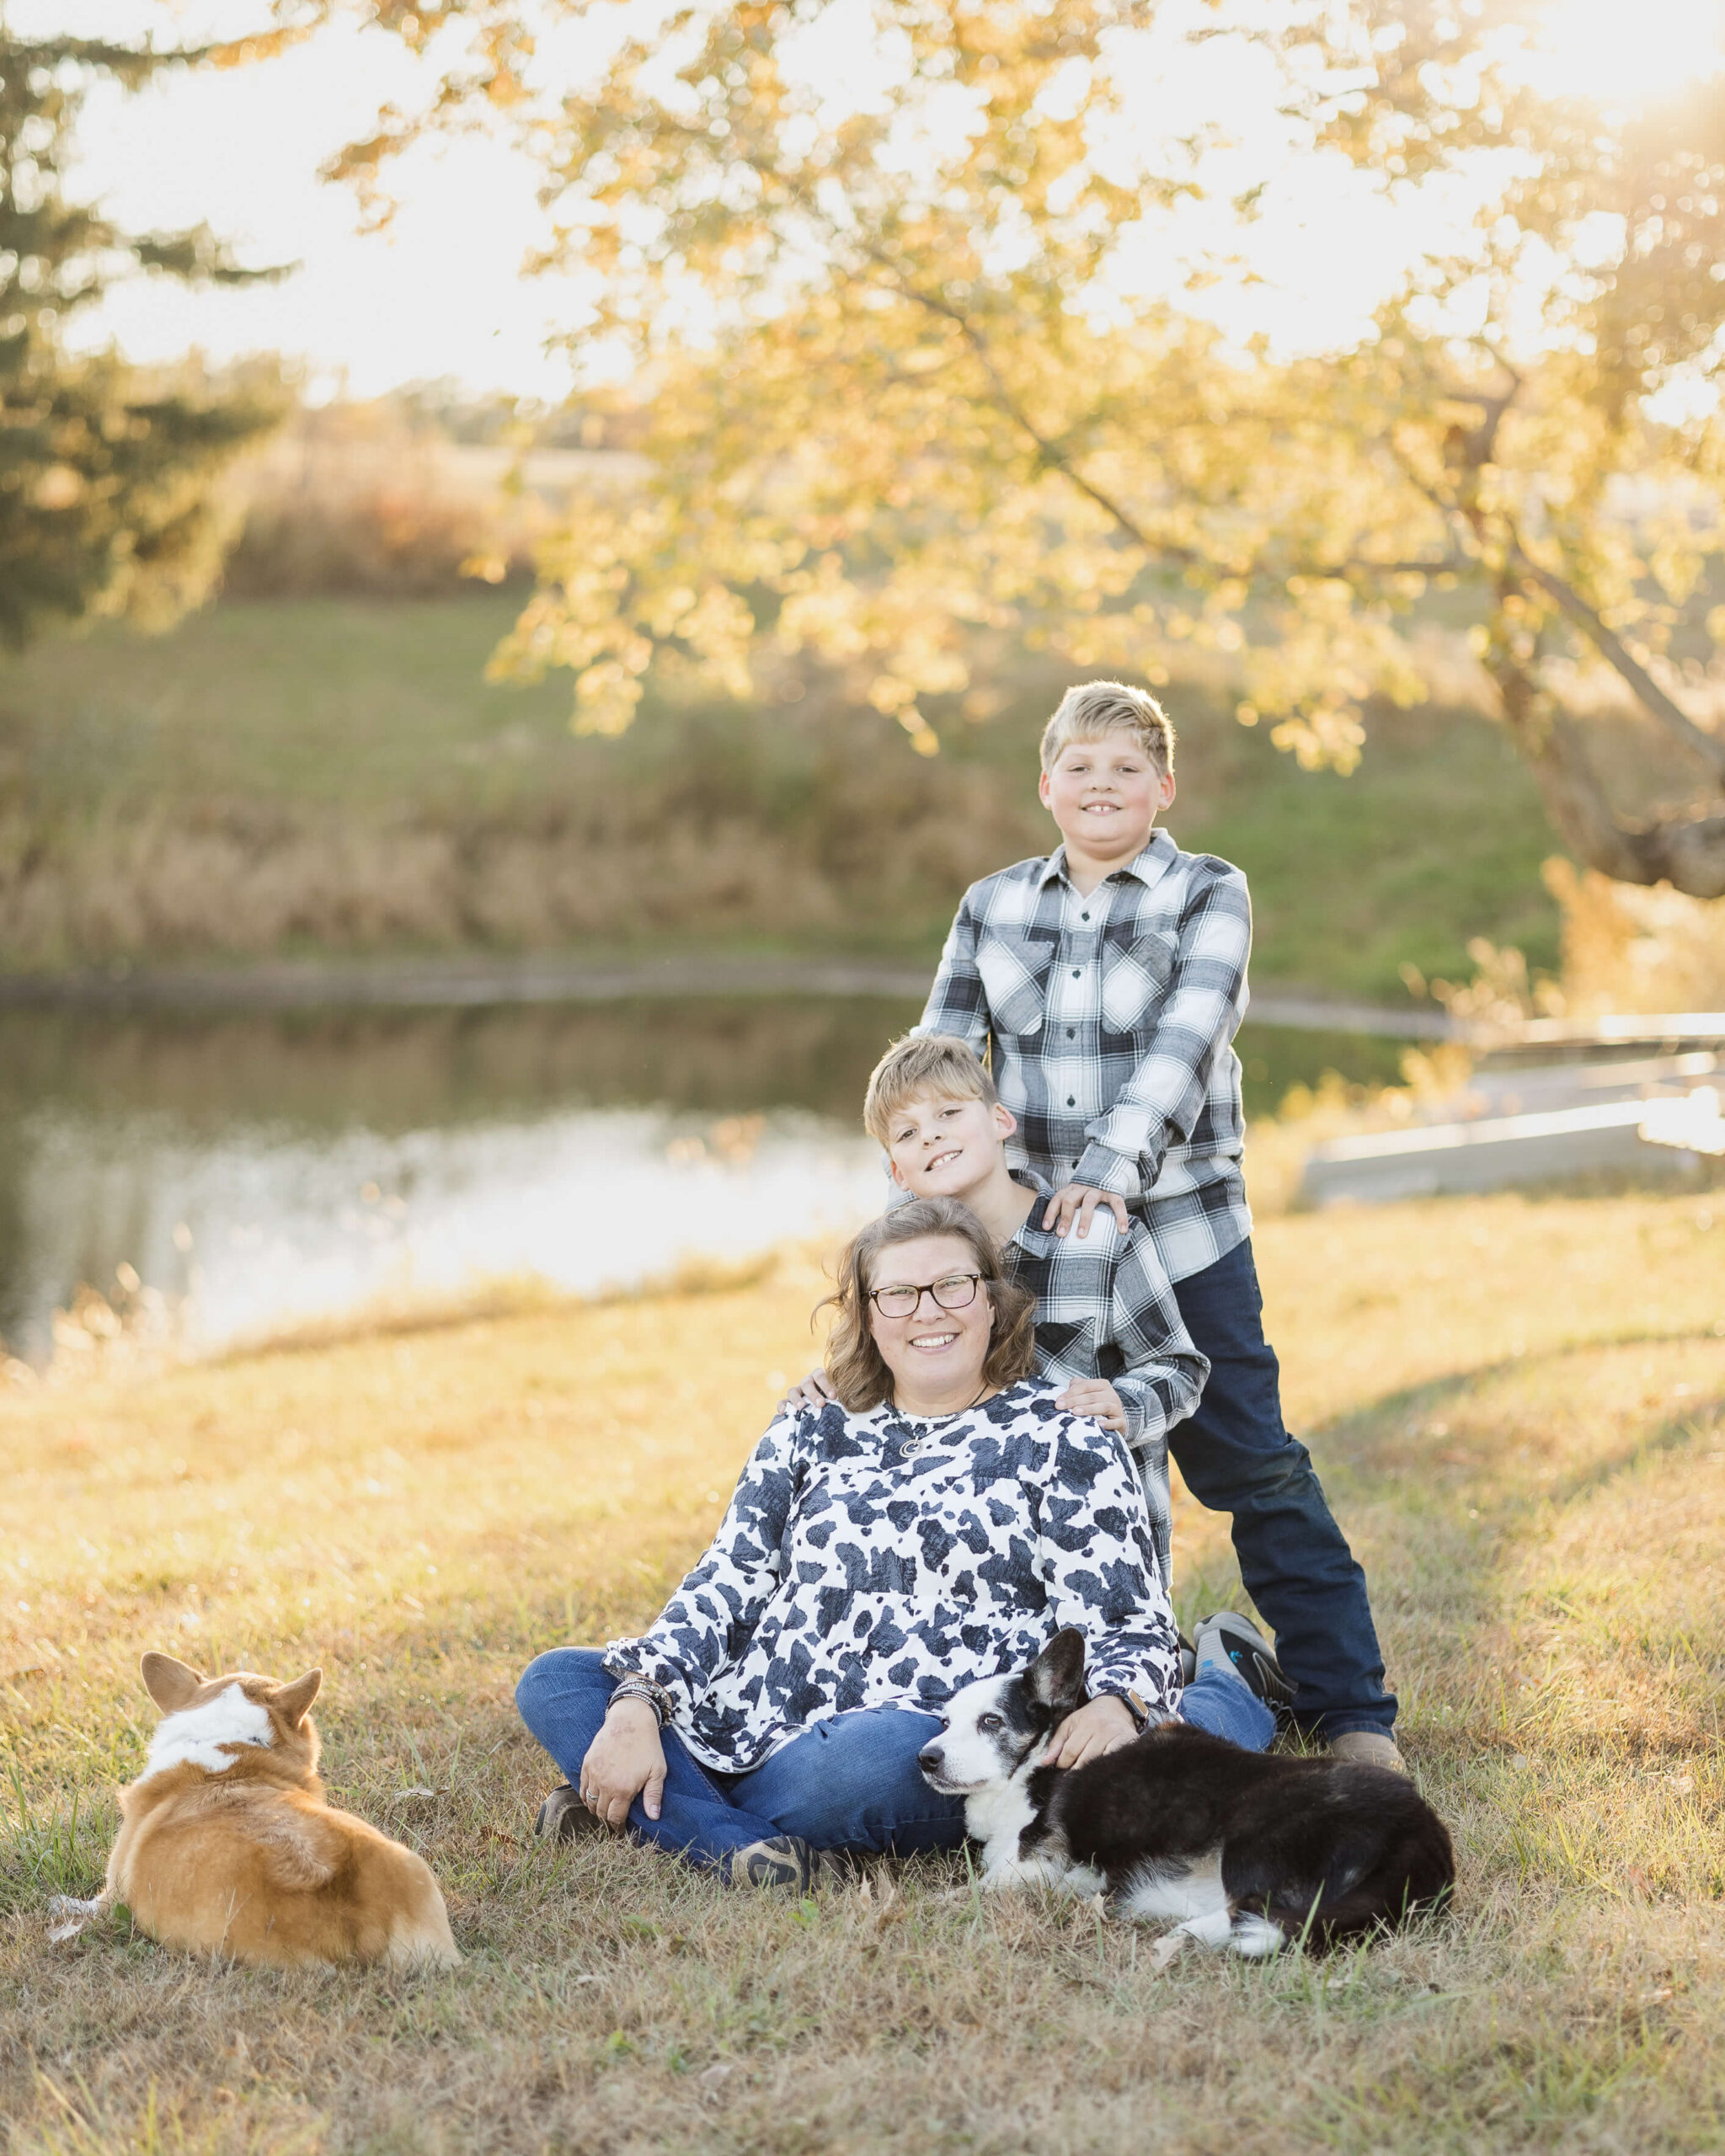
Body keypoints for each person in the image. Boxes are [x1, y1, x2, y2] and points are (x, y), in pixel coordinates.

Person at [916, 678, 1402, 1769]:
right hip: (1043, 1263)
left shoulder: (1206, 891)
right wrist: (926, 1193)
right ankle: (1075, 1707)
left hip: (1183, 1236)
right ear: (1046, 786)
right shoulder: (991, 906)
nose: (1101, 785)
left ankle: (1352, 1713)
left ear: (1162, 786)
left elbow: (1186, 1043)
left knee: (1254, 1467)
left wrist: (1109, 1173)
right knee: (1055, 1475)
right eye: (1079, 768)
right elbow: (940, 1063)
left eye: (1125, 768)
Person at [516, 1199, 1276, 1888]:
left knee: (860, 1765)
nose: (928, 1313)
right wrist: (637, 1706)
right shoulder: (811, 1426)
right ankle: (728, 1842)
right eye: (899, 1295)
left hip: (922, 1736)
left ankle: (1224, 1680)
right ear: (870, 1317)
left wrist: (1120, 1699)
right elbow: (730, 1577)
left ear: (991, 1301)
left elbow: (1121, 1618)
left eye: (953, 1286)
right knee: (557, 1682)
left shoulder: (1063, 1432)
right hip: (754, 1716)